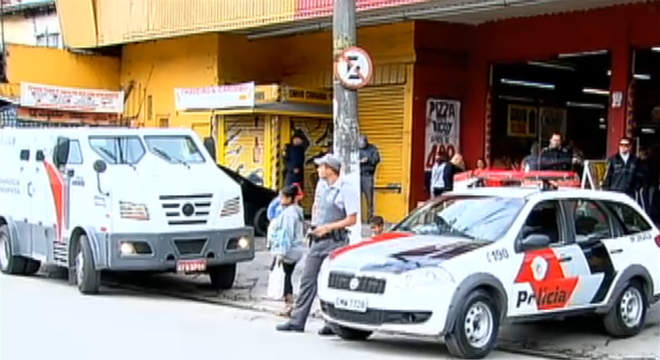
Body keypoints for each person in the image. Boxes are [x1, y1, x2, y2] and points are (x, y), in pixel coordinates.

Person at [276, 153, 359, 335]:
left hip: (335, 241)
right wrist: (313, 227)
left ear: (330, 169)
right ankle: (297, 320)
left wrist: (328, 227)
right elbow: (317, 207)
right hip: (317, 239)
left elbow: (352, 219)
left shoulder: (346, 188)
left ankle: (332, 322)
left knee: (331, 283)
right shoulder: (322, 185)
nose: (318, 169)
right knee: (307, 280)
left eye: (321, 166)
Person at [269, 185, 306, 317]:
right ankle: (289, 304)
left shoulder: (289, 214)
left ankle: (288, 305)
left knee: (287, 277)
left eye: (283, 197)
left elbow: (286, 235)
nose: (280, 199)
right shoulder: (296, 211)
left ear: (290, 198)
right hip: (296, 249)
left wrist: (280, 253)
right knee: (288, 277)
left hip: (290, 250)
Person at [359, 135, 381, 222]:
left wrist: (368, 159)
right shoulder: (356, 150)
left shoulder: (373, 148)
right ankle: (358, 219)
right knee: (357, 199)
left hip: (368, 175)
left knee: (369, 199)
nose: (361, 145)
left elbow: (377, 159)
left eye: (363, 143)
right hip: (357, 175)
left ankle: (370, 219)